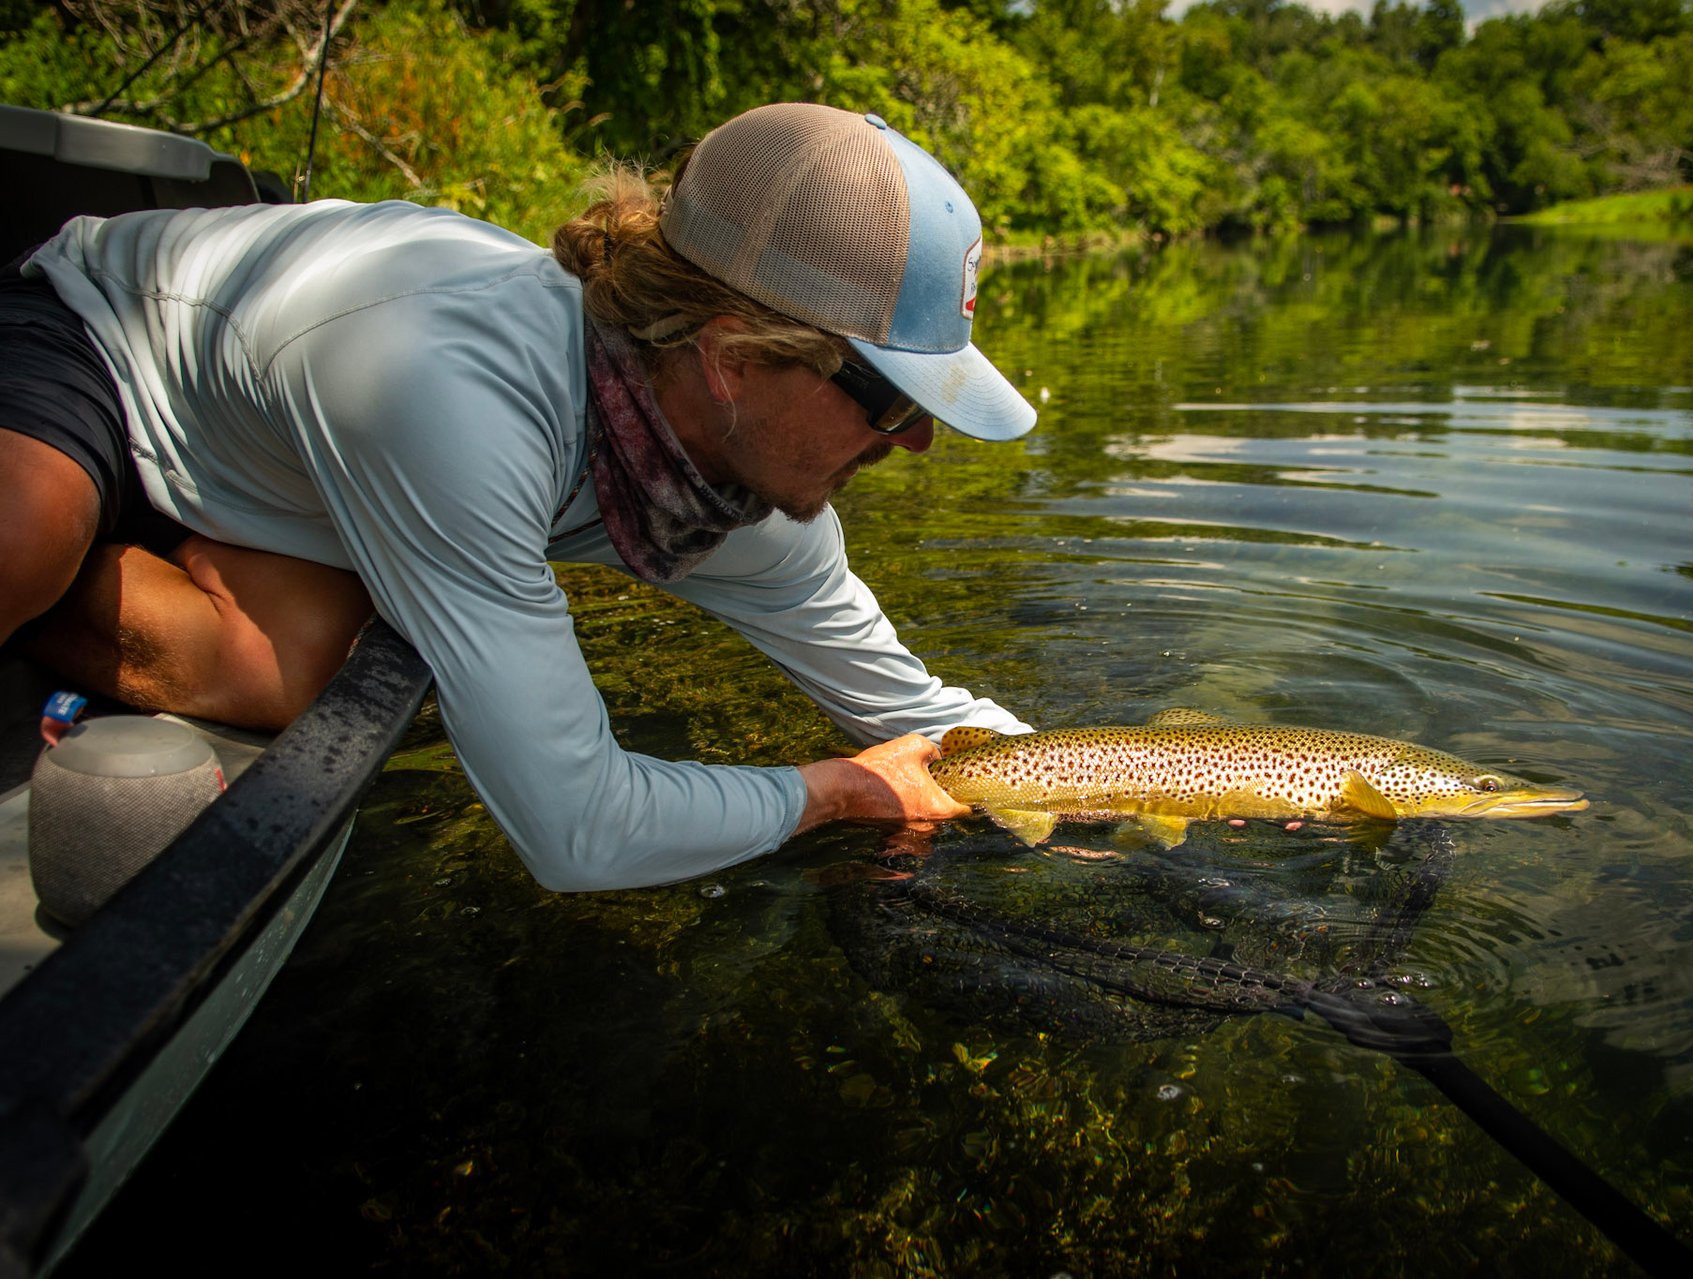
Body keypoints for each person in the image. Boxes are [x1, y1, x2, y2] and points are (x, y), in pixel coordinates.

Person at [0, 101, 1036, 891]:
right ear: (732, 357)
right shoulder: (453, 390)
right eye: (886, 398)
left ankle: (137, 556)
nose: (920, 439)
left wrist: (1173, 778)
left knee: (298, 674)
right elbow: (575, 825)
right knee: (24, 540)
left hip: (282, 470)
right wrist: (834, 793)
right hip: (104, 344)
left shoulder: (756, 496)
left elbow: (920, 711)